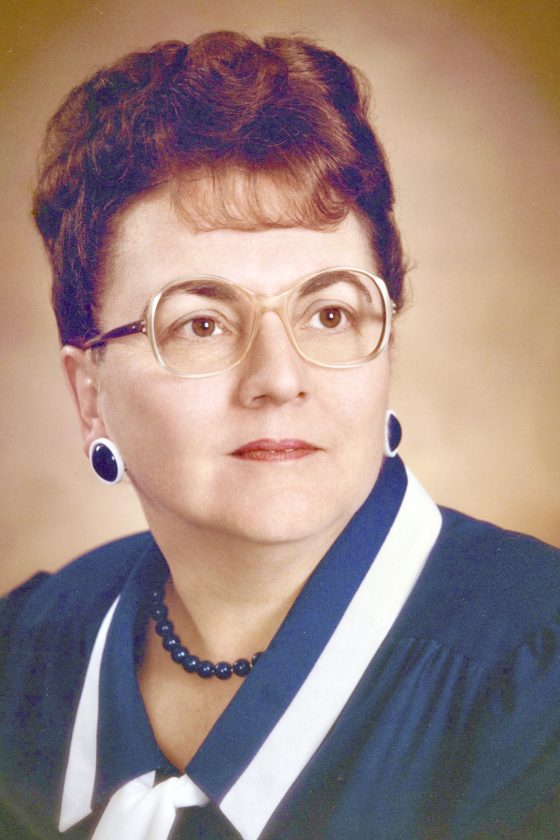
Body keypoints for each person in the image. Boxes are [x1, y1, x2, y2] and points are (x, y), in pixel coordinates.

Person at [0, 31, 558, 840]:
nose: (279, 378)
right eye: (199, 324)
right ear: (91, 395)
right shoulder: (23, 657)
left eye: (329, 313)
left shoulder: (535, 677)